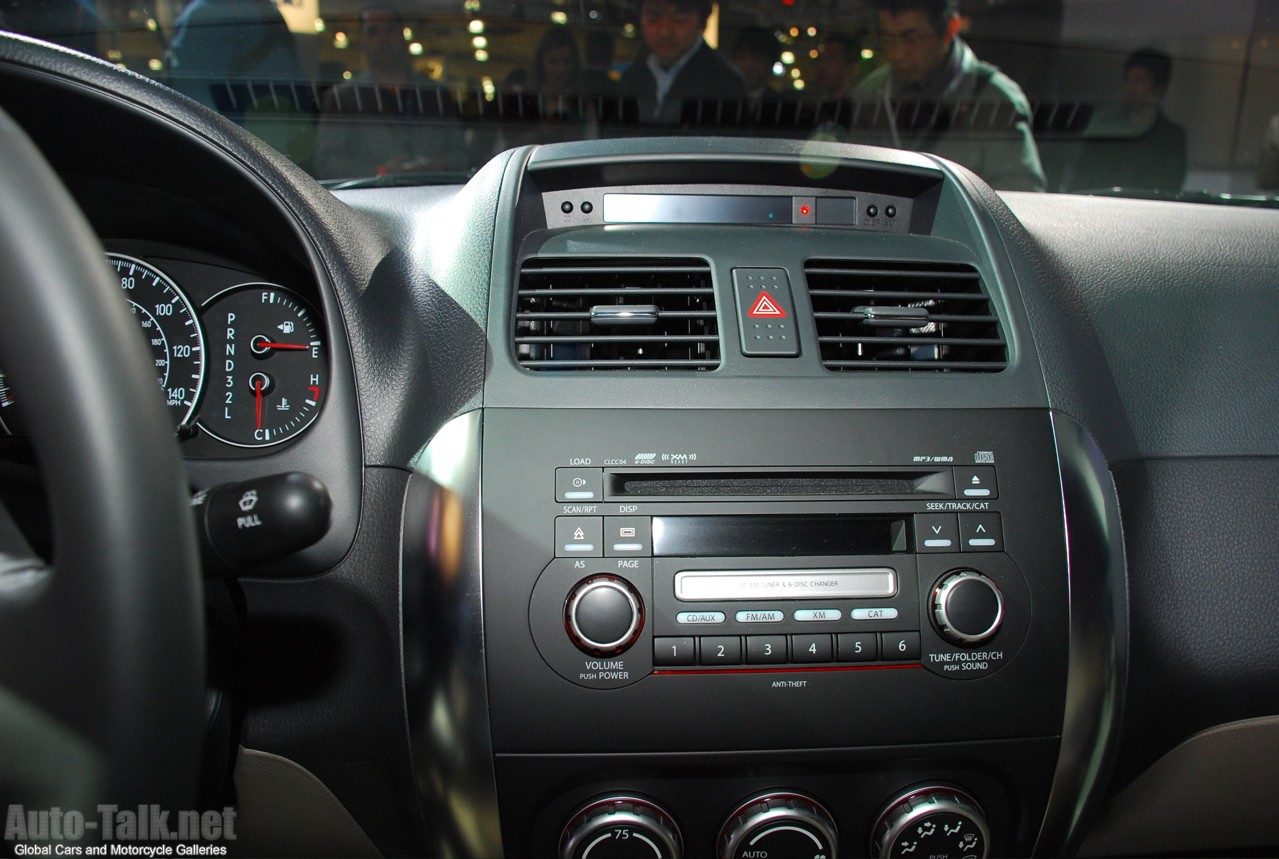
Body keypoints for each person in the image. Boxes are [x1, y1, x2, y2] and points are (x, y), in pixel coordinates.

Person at [855, 0, 1045, 191]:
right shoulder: (870, 94)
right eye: (888, 39)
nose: (897, 53)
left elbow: (1023, 191)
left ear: (949, 28)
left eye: (912, 39)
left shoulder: (994, 98)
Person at [314, 6, 465, 180]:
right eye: (373, 32)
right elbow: (327, 162)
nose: (383, 39)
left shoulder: (435, 94)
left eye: (390, 30)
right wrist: (380, 172)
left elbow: (461, 155)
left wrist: (442, 164)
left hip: (434, 195)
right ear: (362, 41)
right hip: (371, 200)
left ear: (402, 36)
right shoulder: (343, 97)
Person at [1061, 48, 1187, 193]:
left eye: (1139, 80)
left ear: (1159, 87)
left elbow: (1170, 187)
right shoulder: (1105, 128)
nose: (1131, 87)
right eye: (1128, 80)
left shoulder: (1173, 138)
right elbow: (1082, 179)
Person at [618, 0, 745, 123]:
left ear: (702, 23)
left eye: (679, 20)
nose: (665, 32)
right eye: (653, 20)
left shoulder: (725, 81)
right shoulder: (632, 77)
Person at [166, 0, 303, 109]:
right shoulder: (211, 12)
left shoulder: (209, 12)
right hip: (243, 130)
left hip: (245, 129)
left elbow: (194, 99)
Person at [731, 29, 781, 108]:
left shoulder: (779, 103)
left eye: (758, 59)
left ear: (770, 65)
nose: (748, 65)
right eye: (742, 58)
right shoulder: (720, 96)